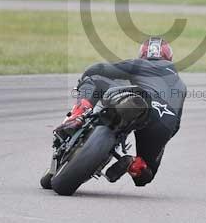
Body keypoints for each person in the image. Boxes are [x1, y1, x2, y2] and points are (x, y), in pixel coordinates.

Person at [55, 36, 186, 186]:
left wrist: (85, 78)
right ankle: (133, 164)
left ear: (143, 55)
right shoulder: (181, 85)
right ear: (169, 57)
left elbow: (99, 69)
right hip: (164, 123)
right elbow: (176, 126)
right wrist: (160, 140)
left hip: (140, 103)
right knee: (145, 176)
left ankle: (77, 116)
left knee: (94, 78)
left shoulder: (139, 64)